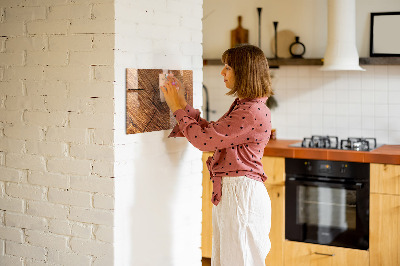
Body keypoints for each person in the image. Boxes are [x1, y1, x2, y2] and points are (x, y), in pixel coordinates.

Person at [161, 44, 273, 266]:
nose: (222, 72)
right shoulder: (246, 106)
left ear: (244, 72)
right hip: (236, 193)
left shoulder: (250, 111)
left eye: (228, 67)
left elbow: (204, 141)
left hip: (241, 195)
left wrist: (176, 108)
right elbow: (213, 133)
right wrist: (183, 104)